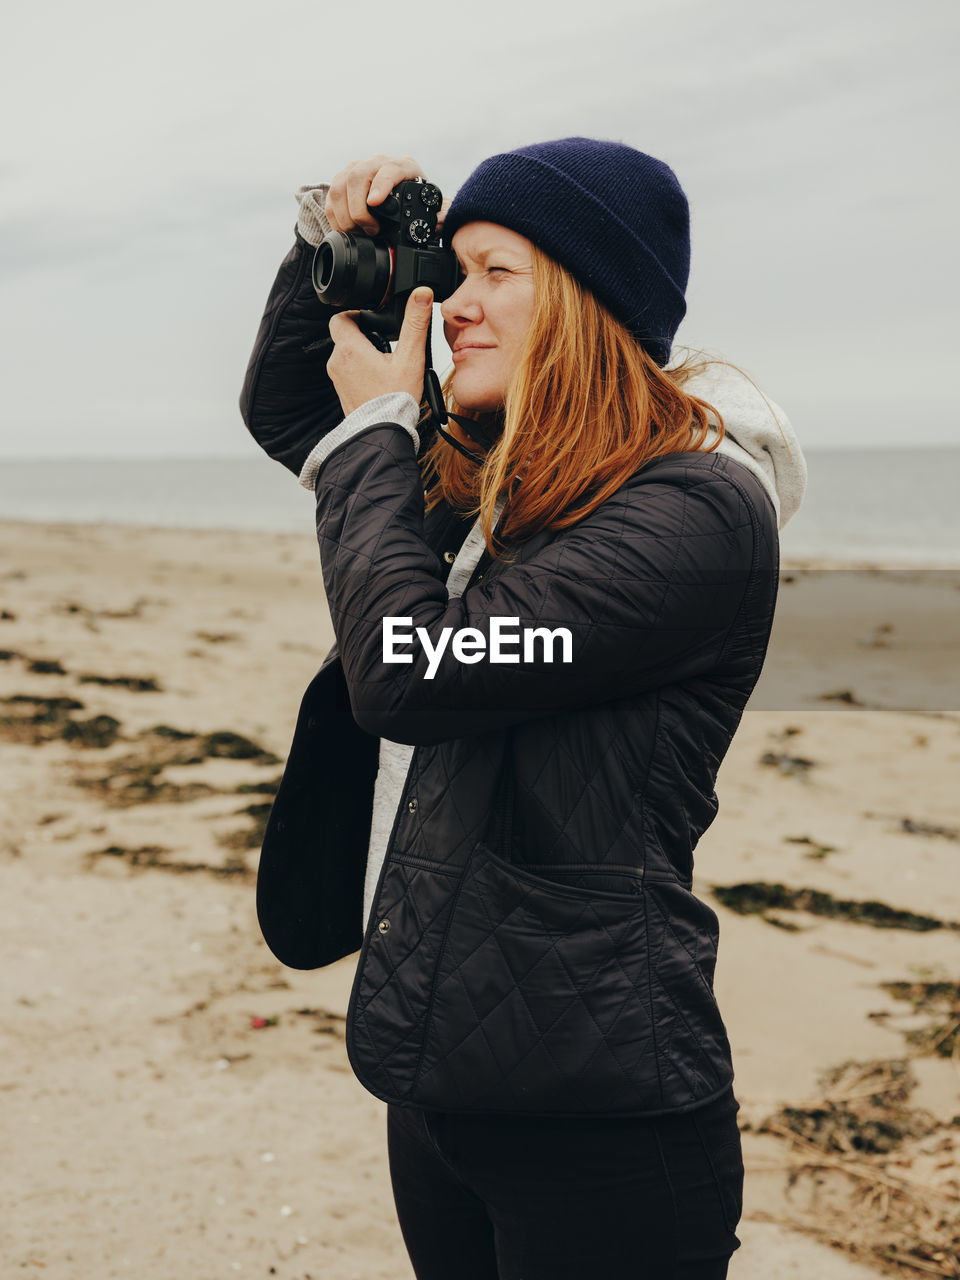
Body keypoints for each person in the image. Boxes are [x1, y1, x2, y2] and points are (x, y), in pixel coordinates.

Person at [239, 138, 806, 1280]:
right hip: (440, 1070)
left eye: (498, 273)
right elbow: (296, 407)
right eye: (453, 273)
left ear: (594, 303)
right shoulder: (497, 475)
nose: (456, 307)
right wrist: (339, 246)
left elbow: (411, 667)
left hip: (599, 1116)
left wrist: (382, 430)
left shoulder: (694, 509)